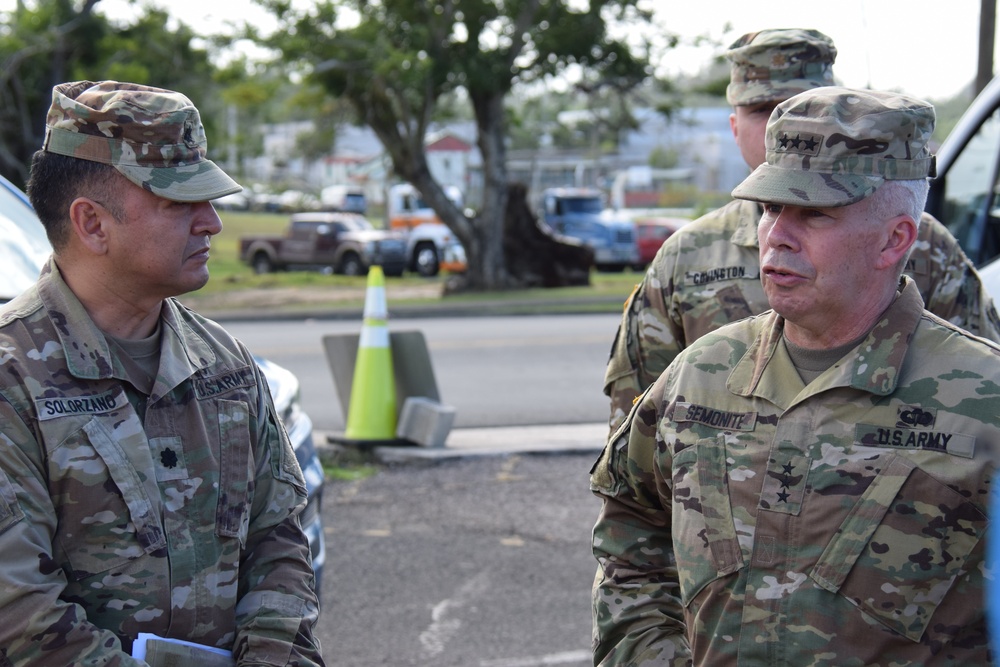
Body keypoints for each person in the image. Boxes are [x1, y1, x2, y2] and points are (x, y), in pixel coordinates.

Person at [590, 86, 1000, 665]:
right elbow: (631, 529)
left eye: (814, 214)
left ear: (894, 239)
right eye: (770, 208)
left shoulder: (983, 403)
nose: (776, 234)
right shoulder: (700, 375)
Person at [0, 81, 325, 666]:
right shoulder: (12, 377)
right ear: (92, 224)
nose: (212, 224)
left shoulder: (224, 365)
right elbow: (21, 614)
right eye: (180, 204)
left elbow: (279, 544)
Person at [603, 28, 1000, 433]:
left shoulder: (925, 246)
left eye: (801, 106)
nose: (788, 125)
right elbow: (637, 433)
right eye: (763, 110)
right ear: (734, 126)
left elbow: (979, 385)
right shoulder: (685, 256)